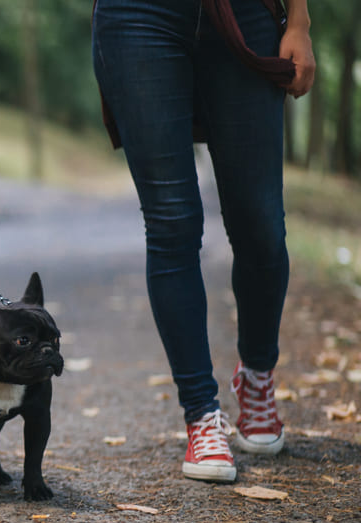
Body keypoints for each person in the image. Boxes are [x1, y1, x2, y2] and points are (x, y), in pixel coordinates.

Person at [91, 0, 315, 482]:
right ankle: (201, 416)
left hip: (247, 12)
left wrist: (299, 21)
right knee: (172, 222)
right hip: (136, 17)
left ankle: (256, 377)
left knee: (261, 227)